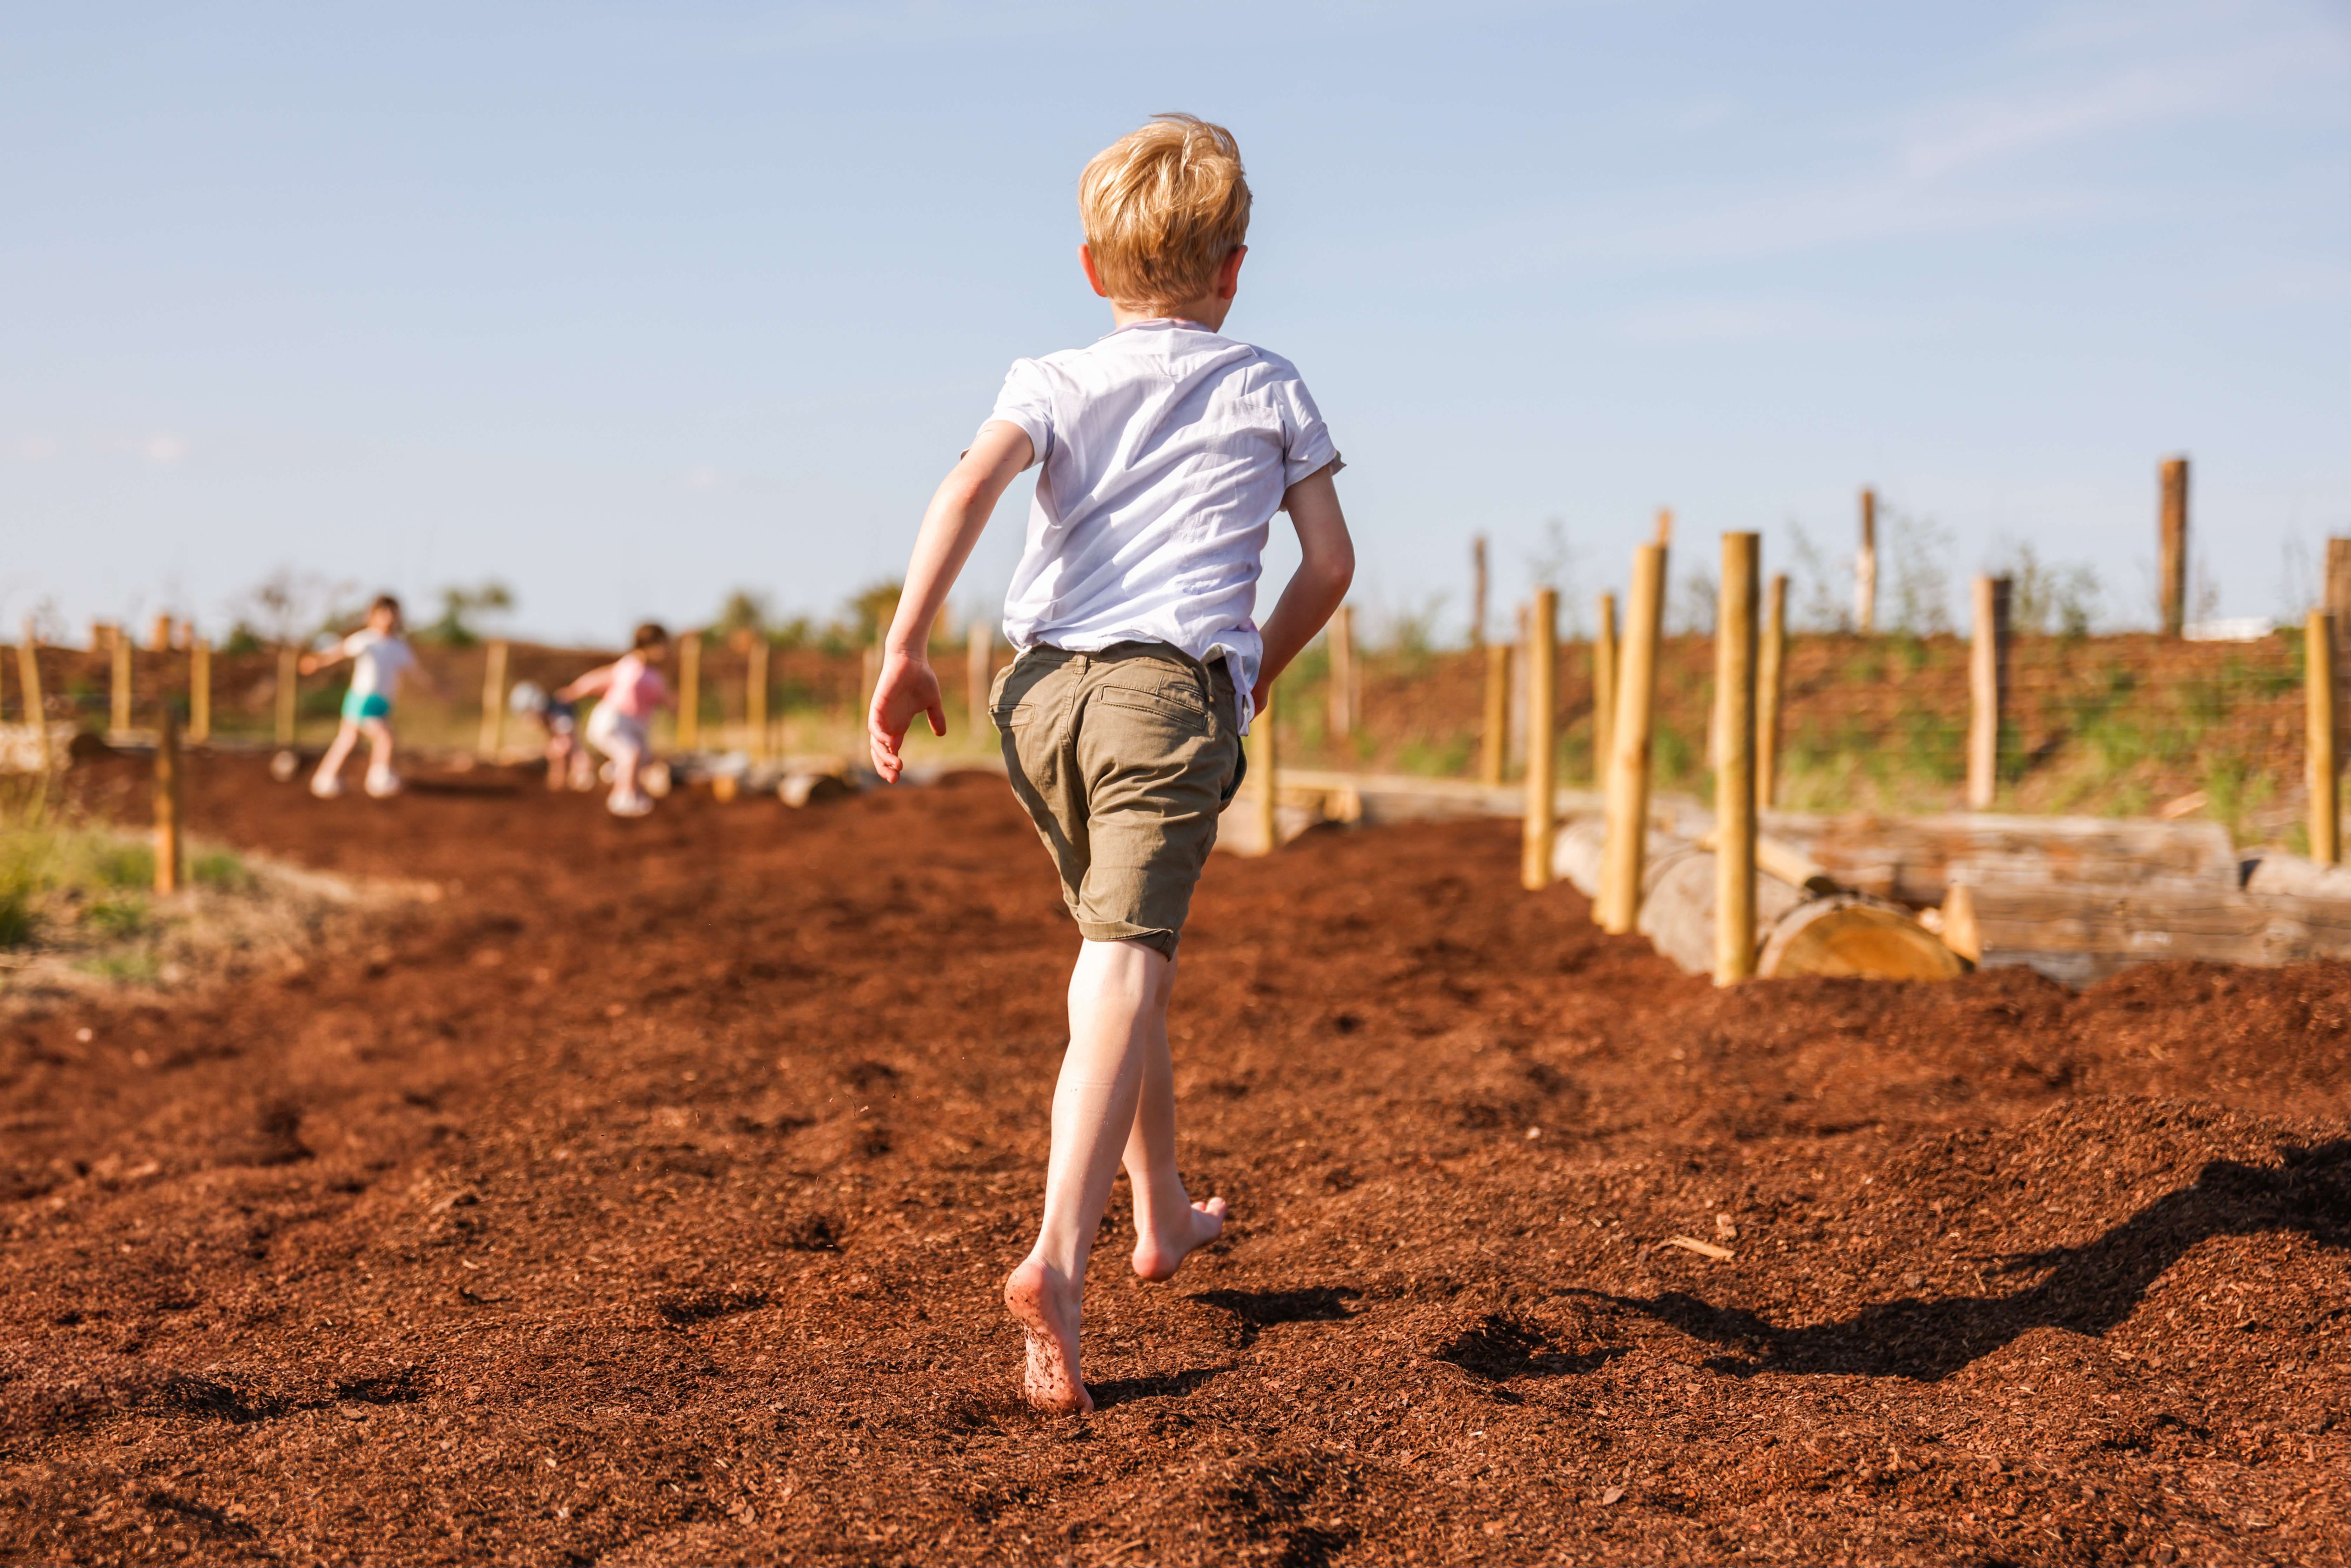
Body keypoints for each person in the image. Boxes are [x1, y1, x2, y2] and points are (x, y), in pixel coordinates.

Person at [866, 114, 1354, 1413]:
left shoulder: (1048, 376)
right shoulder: (1266, 383)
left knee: (1121, 954)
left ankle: (1164, 1211)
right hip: (1160, 697)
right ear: (1235, 269)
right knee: (1124, 961)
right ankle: (1056, 1259)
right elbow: (1333, 565)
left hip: (1038, 701)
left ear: (1092, 269)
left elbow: (965, 491)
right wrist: (1251, 666)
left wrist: (906, 643)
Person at [303, 594, 435, 799]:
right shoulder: (366, 639)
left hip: (382, 703)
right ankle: (378, 780)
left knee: (347, 740)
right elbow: (339, 652)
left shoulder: (399, 647)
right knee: (385, 737)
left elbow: (418, 673)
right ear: (373, 616)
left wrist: (438, 688)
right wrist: (318, 662)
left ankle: (325, 779)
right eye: (384, 612)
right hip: (362, 700)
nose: (389, 617)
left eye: (393, 613)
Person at [560, 623, 674, 817]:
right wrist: (574, 691)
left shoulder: (655, 676)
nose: (666, 650)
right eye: (662, 645)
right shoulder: (629, 666)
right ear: (649, 645)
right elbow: (597, 680)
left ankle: (614, 773)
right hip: (613, 721)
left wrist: (675, 706)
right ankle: (622, 800)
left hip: (635, 726)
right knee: (631, 754)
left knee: (643, 759)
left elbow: (667, 699)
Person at [509, 680, 594, 791]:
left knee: (568, 749)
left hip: (567, 726)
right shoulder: (548, 713)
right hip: (564, 724)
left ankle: (581, 777)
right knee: (558, 750)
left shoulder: (559, 713)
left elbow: (568, 742)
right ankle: (561, 783)